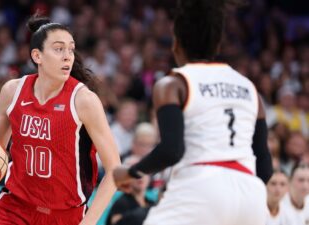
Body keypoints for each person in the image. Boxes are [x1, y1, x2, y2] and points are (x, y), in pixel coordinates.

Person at [113, 0, 273, 225]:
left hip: (201, 187)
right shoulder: (249, 89)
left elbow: (171, 151)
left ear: (176, 43)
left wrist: (130, 173)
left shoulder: (173, 84)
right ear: (218, 45)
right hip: (252, 196)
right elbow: (265, 166)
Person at [0, 16, 121, 225]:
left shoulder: (84, 100)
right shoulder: (12, 91)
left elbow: (114, 169)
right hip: (15, 208)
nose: (68, 56)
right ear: (37, 56)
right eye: (59, 49)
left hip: (66, 215)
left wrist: (88, 222)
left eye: (71, 49)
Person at [106, 155, 154, 225]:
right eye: (135, 173)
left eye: (144, 172)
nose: (140, 177)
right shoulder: (122, 203)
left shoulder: (151, 203)